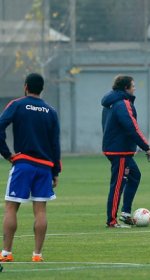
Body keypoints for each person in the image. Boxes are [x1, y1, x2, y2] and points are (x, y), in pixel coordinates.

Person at [0, 73, 61, 262]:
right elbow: (55, 144)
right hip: (44, 167)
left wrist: (7, 154)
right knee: (41, 210)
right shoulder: (51, 111)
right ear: (42, 89)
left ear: (25, 86)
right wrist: (55, 171)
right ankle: (37, 255)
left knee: (11, 207)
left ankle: (6, 253)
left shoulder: (17, 104)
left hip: (23, 164)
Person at [102, 74, 150, 228]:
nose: (134, 88)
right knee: (118, 185)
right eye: (133, 86)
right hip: (120, 152)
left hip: (117, 149)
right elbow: (132, 127)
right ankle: (111, 221)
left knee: (135, 176)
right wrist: (147, 147)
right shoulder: (122, 103)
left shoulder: (111, 102)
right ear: (126, 88)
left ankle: (125, 213)